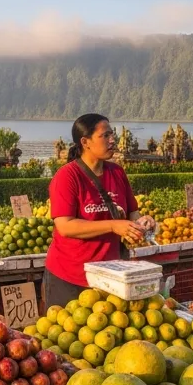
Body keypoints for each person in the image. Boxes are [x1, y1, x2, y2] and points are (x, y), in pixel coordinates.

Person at [44, 113, 156, 308]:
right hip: (71, 276)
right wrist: (113, 226)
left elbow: (131, 213)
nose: (112, 140)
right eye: (105, 136)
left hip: (110, 276)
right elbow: (65, 226)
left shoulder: (117, 173)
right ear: (85, 142)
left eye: (112, 134)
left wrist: (141, 223)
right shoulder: (67, 176)